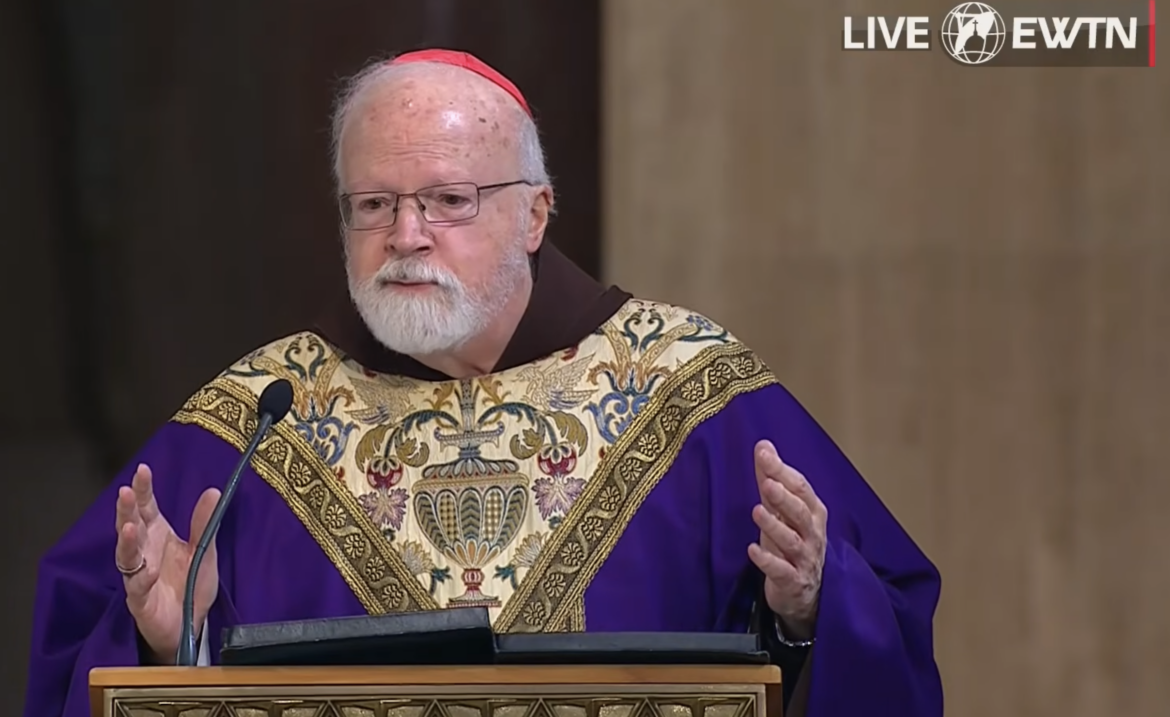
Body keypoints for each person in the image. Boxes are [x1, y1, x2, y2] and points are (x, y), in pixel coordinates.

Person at [24, 49, 943, 717]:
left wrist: (813, 605)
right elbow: (82, 649)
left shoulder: (693, 393)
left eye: (448, 200)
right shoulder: (260, 417)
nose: (406, 235)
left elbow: (888, 628)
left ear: (535, 213)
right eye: (374, 205)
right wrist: (165, 642)